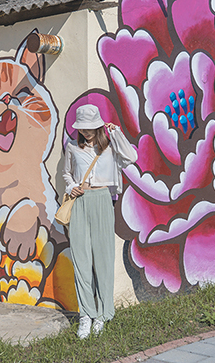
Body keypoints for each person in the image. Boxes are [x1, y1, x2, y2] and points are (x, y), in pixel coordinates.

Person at [63, 104, 137, 339]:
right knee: (81, 260)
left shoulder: (110, 146)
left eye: (90, 127)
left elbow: (132, 157)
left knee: (103, 260)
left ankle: (103, 314)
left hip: (103, 200)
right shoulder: (73, 146)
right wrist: (72, 186)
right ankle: (86, 314)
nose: (85, 132)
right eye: (82, 128)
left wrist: (116, 133)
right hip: (80, 202)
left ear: (98, 124)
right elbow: (67, 173)